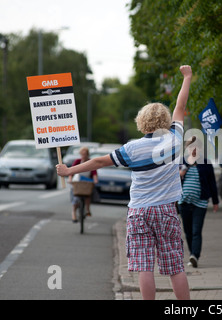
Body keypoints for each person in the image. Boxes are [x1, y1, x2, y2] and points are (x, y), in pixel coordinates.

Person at [56, 65, 192, 300]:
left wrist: (69, 170)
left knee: (144, 267)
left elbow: (98, 162)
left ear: (142, 122)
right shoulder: (175, 139)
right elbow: (180, 106)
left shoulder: (132, 148)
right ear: (165, 121)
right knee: (175, 266)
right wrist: (187, 78)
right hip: (167, 210)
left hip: (139, 211)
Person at [179, 136, 219, 268]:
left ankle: (195, 255)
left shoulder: (206, 163)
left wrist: (215, 201)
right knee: (188, 231)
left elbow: (212, 183)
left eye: (196, 147)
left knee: (197, 230)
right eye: (191, 147)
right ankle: (192, 254)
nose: (193, 149)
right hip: (184, 201)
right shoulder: (182, 162)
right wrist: (181, 172)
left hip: (200, 202)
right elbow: (172, 180)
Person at [68, 146, 98, 222]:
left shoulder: (90, 162)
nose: (84, 155)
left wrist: (95, 180)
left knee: (88, 194)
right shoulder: (77, 161)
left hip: (87, 183)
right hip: (78, 183)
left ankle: (87, 209)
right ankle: (73, 213)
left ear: (87, 154)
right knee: (75, 198)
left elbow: (94, 173)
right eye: (82, 154)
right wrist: (70, 178)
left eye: (85, 154)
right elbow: (71, 170)